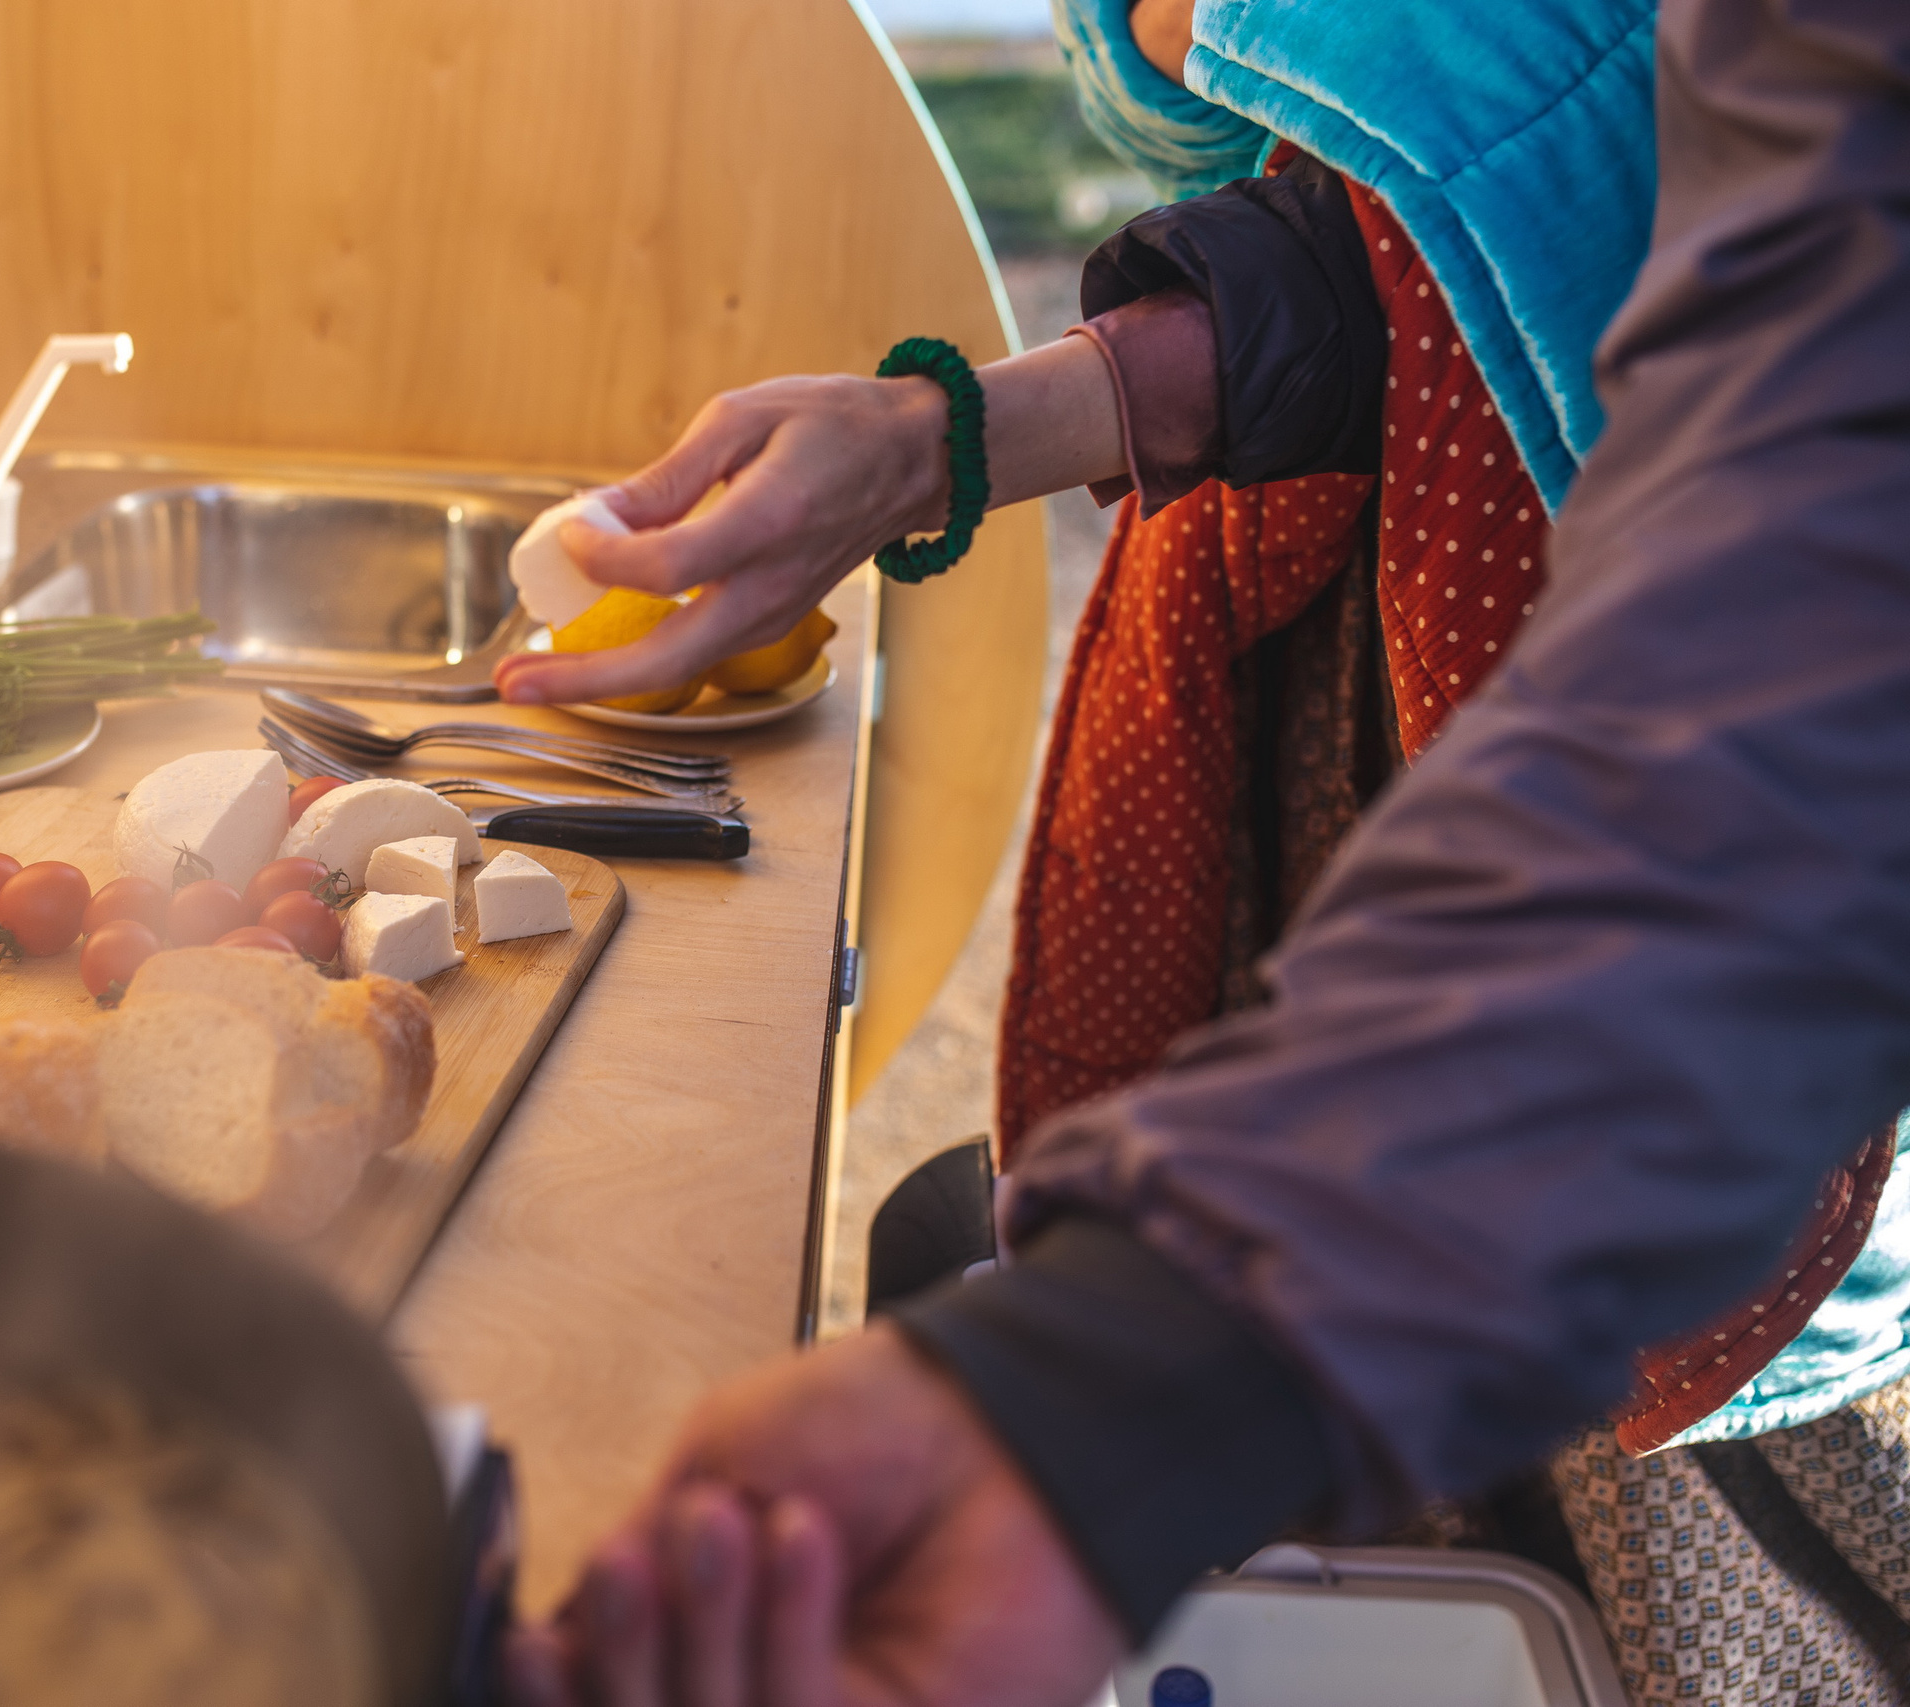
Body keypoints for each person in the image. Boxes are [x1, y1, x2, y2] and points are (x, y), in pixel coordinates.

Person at [501, 0, 1910, 1700]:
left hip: (1700, 998)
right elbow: (1433, 257)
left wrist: (1117, 1390)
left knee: (1674, 1559)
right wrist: (940, 441)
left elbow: (1811, 636)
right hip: (1481, 839)